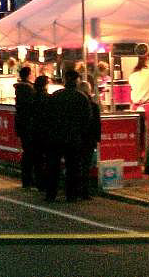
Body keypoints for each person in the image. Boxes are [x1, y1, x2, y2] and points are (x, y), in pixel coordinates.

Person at [45, 70, 92, 202]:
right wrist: (80, 133)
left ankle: (51, 194)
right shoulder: (81, 97)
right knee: (73, 167)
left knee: (53, 167)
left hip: (56, 136)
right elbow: (87, 119)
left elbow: (47, 116)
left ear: (65, 80)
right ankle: (71, 195)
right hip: (73, 137)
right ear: (77, 81)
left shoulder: (55, 95)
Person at [14, 66, 37, 188]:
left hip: (22, 124)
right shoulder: (28, 89)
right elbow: (32, 106)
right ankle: (28, 179)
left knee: (27, 152)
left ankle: (26, 179)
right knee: (30, 152)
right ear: (28, 74)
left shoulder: (20, 87)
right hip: (28, 124)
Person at [78, 81, 101, 200]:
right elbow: (96, 124)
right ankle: (84, 192)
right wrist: (97, 139)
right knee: (86, 166)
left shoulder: (74, 104)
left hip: (76, 138)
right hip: (88, 139)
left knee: (76, 165)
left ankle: (75, 190)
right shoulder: (93, 105)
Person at [31, 75, 52, 192]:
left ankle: (39, 182)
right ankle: (45, 182)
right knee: (46, 159)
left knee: (37, 158)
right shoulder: (46, 98)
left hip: (35, 131)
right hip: (45, 131)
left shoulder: (33, 97)